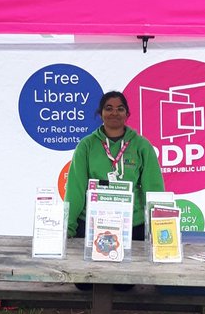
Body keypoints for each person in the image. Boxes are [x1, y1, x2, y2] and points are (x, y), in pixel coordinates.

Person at [65, 90, 164, 242]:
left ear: (127, 114)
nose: (114, 113)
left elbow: (153, 188)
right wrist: (69, 227)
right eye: (109, 108)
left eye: (120, 108)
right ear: (101, 113)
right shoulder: (86, 145)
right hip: (91, 224)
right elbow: (75, 188)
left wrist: (159, 227)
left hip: (133, 226)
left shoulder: (142, 145)